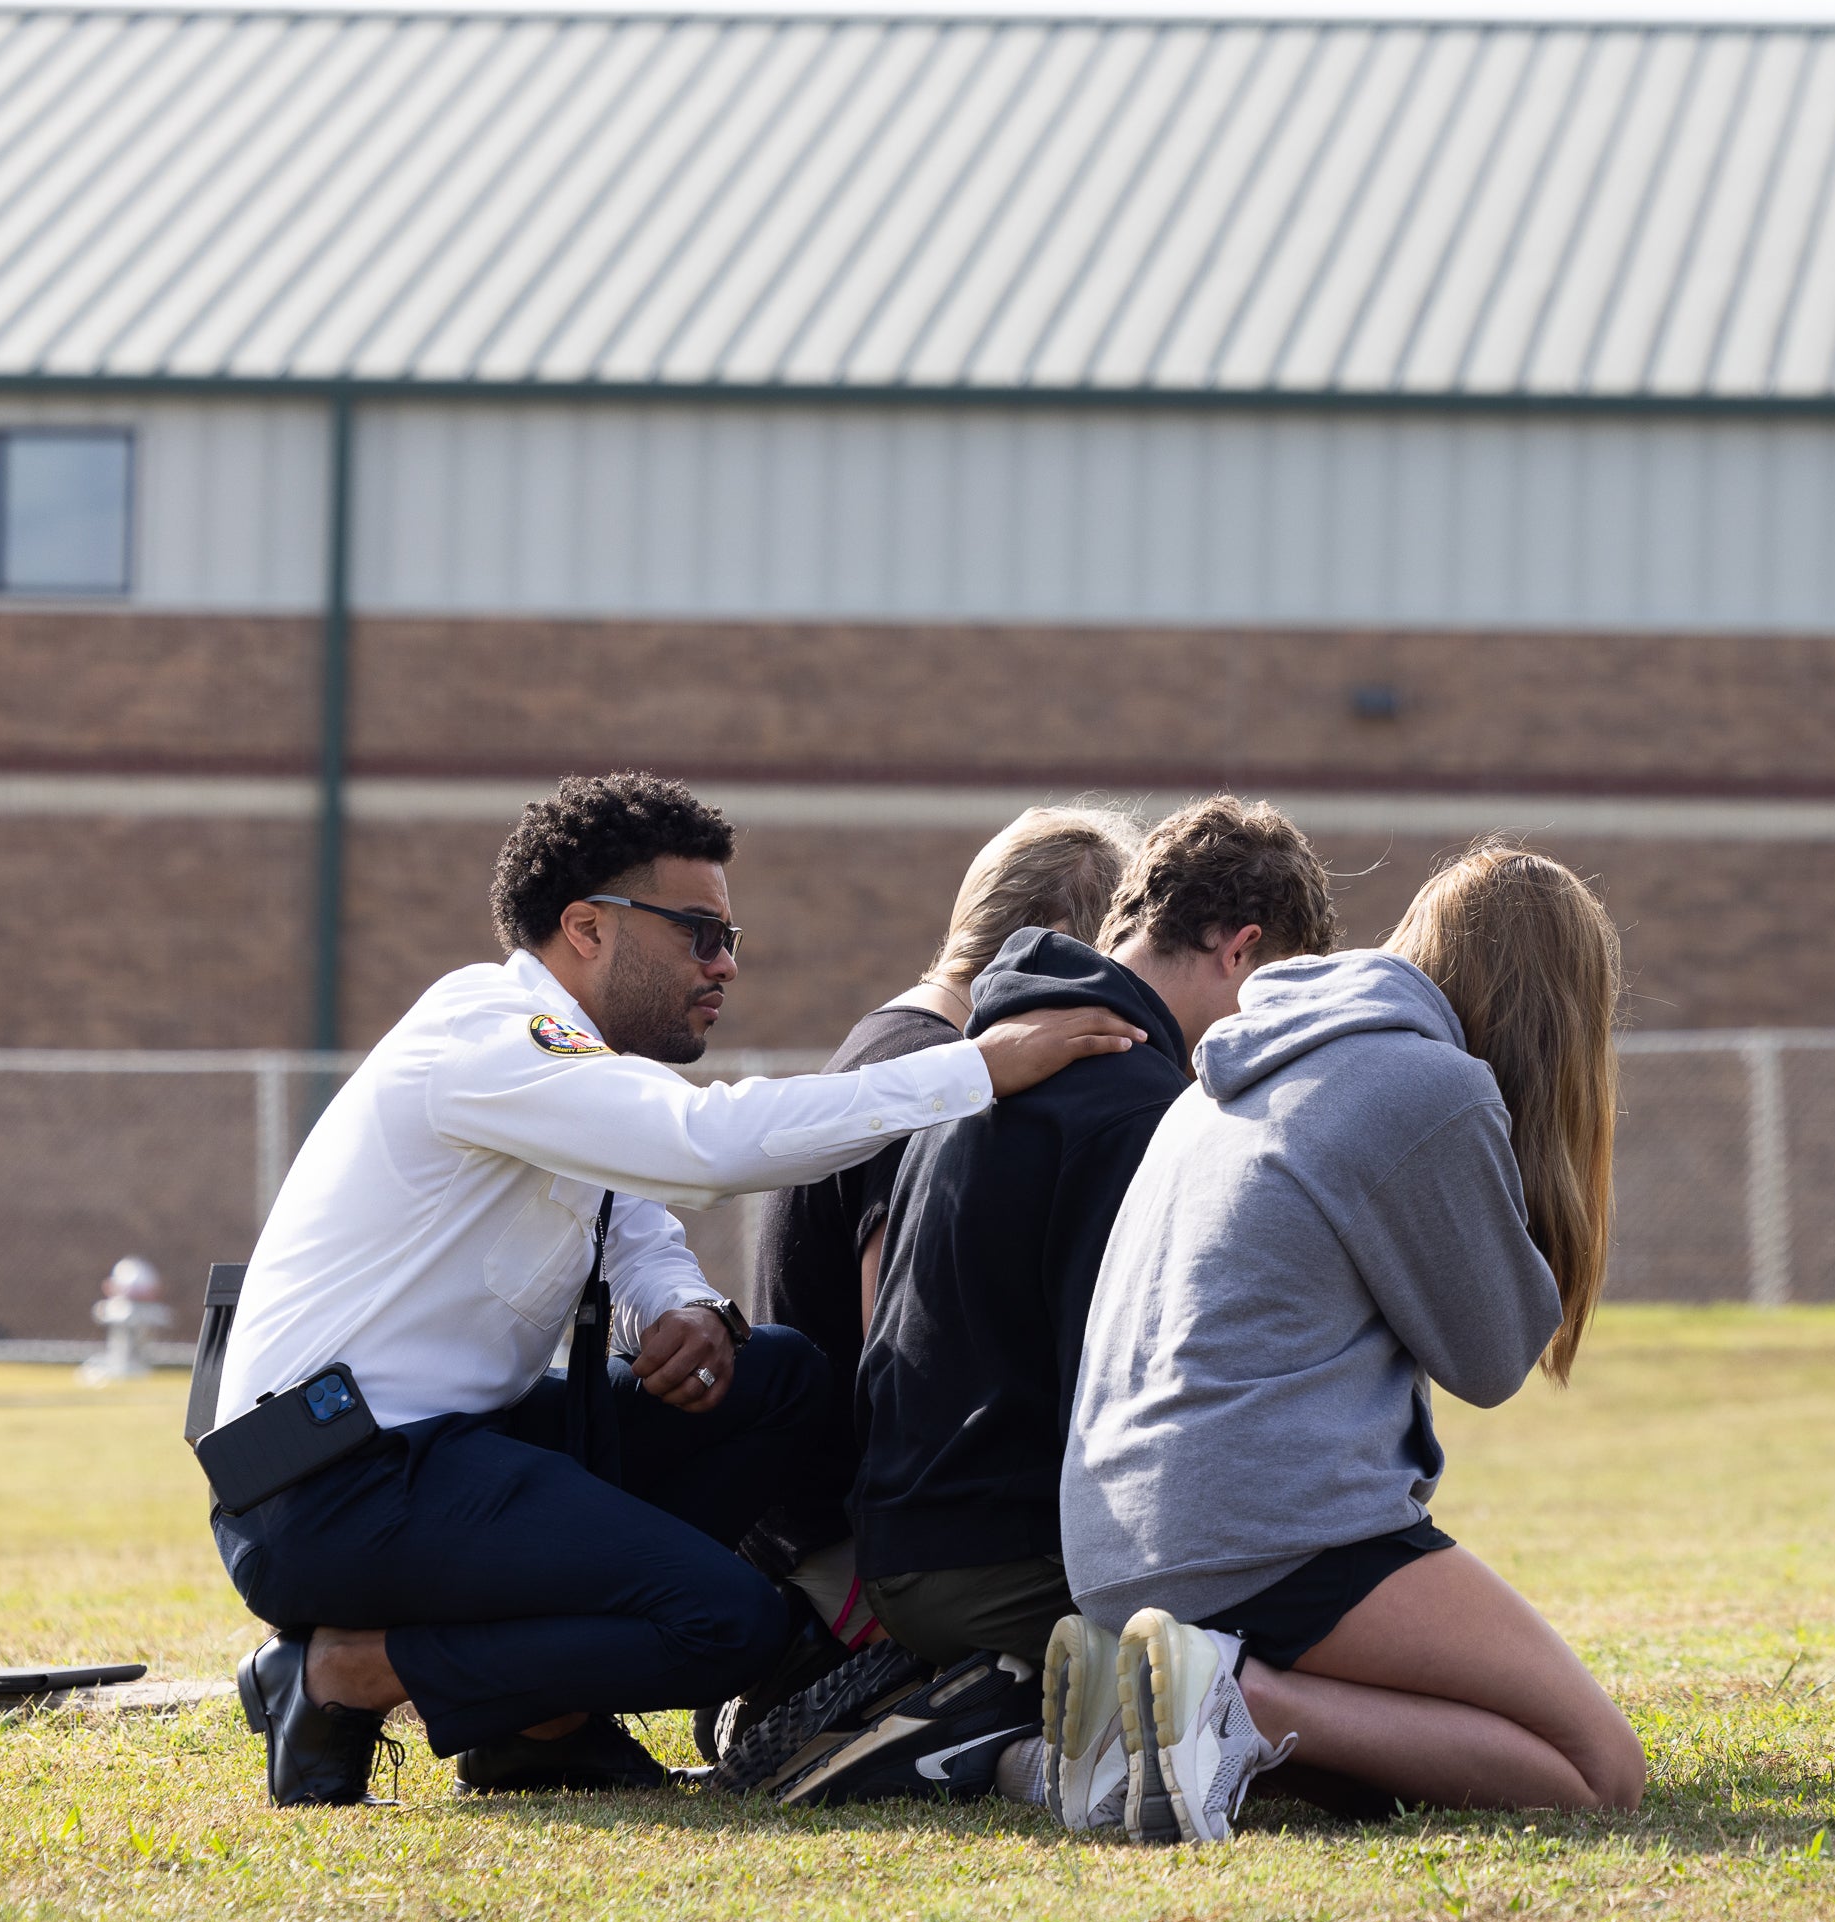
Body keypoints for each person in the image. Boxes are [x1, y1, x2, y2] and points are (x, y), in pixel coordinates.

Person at [209, 773, 1143, 1806]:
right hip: (332, 1486)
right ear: (587, 929)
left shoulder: (571, 1063)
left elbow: (638, 1222)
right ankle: (347, 1673)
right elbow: (701, 1145)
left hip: (446, 1453)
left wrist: (680, 1308)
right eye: (699, 932)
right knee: (727, 1625)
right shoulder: (489, 1030)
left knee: (778, 1377)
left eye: (728, 935)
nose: (726, 963)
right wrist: (973, 1070)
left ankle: (532, 1715)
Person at [1046, 842, 1642, 1841]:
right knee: (1597, 1770)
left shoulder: (1227, 1071)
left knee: (1424, 1747)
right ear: (1559, 1013)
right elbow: (1492, 1357)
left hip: (1115, 1549)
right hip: (1261, 1532)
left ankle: (1141, 1726)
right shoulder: (1422, 1082)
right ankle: (1238, 1701)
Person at [854, 796, 1338, 1680]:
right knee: (1307, 1653)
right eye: (1276, 991)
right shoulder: (1134, 1102)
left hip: (908, 1536)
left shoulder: (996, 1049)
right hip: (996, 1561)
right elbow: (1129, 1403)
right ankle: (978, 1727)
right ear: (1240, 950)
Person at [742, 804, 1139, 1640]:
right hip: (847, 1541)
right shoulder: (928, 1075)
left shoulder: (894, 1039)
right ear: (1054, 937)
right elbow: (906, 1358)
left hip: (818, 1514)